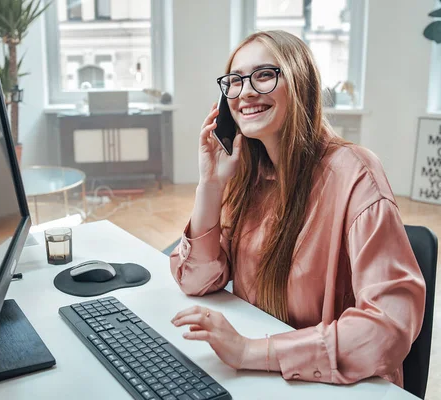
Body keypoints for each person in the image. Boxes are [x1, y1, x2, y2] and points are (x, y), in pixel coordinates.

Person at [168, 30, 426, 387]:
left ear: (300, 83)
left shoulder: (355, 172)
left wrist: (250, 352)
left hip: (335, 383)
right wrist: (210, 186)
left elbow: (388, 328)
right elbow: (195, 281)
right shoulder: (248, 176)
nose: (245, 92)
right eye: (235, 81)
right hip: (260, 375)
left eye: (263, 75)